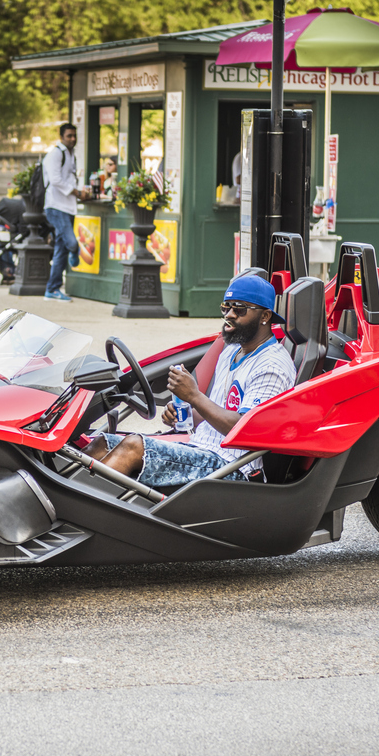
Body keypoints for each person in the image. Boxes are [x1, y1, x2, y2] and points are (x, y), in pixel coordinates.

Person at [85, 275, 296, 486]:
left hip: (233, 467)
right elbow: (218, 412)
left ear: (265, 316)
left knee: (133, 447)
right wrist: (183, 415)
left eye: (239, 309)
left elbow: (246, 430)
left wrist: (194, 396)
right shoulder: (232, 350)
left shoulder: (271, 366)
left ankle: (90, 511)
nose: (229, 315)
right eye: (225, 307)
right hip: (202, 449)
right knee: (103, 443)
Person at [42, 122, 91, 302]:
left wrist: (79, 192)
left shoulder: (71, 155)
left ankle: (52, 289)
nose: (72, 139)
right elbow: (55, 180)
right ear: (61, 136)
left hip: (68, 207)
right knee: (71, 242)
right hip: (56, 206)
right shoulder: (56, 154)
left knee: (60, 250)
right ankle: (74, 252)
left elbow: (70, 178)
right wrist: (76, 192)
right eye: (69, 136)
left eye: (74, 136)